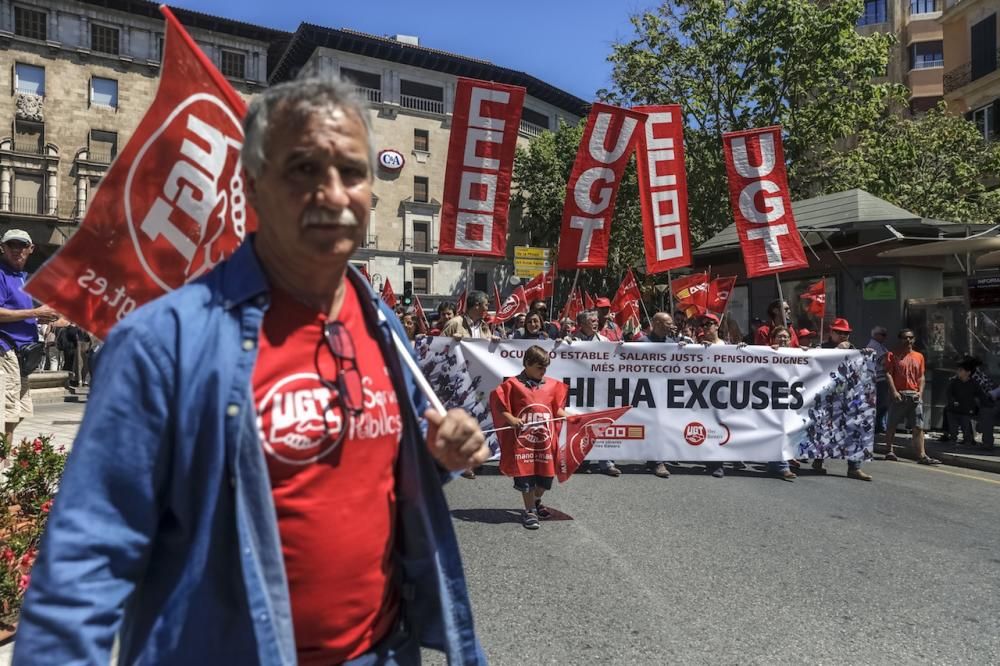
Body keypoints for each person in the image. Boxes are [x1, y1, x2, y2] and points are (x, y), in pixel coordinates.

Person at [15, 77, 489, 665]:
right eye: (303, 169)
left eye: (352, 171)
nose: (333, 193)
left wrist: (436, 456)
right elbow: (87, 560)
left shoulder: (380, 319)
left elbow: (392, 471)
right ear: (252, 188)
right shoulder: (162, 343)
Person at [489, 345, 569, 529]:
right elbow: (501, 408)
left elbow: (556, 409)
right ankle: (529, 510)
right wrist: (512, 419)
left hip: (545, 442)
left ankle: (536, 500)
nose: (543, 371)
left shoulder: (551, 385)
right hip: (522, 443)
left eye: (545, 368)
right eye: (539, 367)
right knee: (526, 478)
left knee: (545, 479)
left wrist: (574, 418)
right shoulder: (512, 385)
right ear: (527, 364)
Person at [0, 229, 60, 441]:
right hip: (6, 351)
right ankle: (3, 464)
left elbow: (19, 313)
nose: (17, 250)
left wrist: (38, 318)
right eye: (11, 245)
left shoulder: (24, 278)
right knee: (6, 412)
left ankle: (4, 458)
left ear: (31, 249)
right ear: (3, 248)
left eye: (22, 245)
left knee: (20, 410)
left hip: (23, 356)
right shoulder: (1, 274)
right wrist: (35, 312)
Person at [813, 318, 872, 481]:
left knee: (854, 429)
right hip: (825, 397)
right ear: (831, 332)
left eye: (846, 333)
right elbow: (814, 365)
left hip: (847, 397)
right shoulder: (820, 347)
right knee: (823, 430)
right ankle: (818, 460)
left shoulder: (853, 349)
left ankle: (854, 467)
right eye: (840, 332)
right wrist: (837, 351)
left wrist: (864, 355)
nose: (844, 336)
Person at [884, 328, 941, 465]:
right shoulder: (892, 355)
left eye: (910, 337)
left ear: (914, 339)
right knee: (892, 424)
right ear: (900, 339)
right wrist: (894, 392)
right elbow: (888, 374)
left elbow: (921, 376)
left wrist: (920, 393)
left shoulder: (919, 356)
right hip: (900, 394)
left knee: (918, 427)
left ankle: (922, 455)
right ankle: (889, 451)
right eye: (905, 337)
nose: (908, 340)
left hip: (914, 395)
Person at [638, 312, 677, 478]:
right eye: (667, 323)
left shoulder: (673, 343)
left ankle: (657, 460)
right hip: (645, 391)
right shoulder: (641, 343)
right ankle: (655, 460)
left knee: (662, 425)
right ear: (657, 323)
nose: (671, 325)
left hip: (665, 392)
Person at [766, 326, 798, 481]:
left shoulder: (797, 353)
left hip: (790, 398)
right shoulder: (767, 352)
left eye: (786, 337)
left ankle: (775, 464)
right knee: (778, 429)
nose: (783, 339)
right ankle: (782, 466)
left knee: (783, 429)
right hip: (769, 398)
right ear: (773, 339)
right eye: (779, 336)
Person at [945, 358, 985, 446]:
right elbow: (949, 393)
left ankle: (968, 442)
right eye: (958, 370)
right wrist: (953, 401)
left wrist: (980, 404)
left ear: (968, 372)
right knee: (953, 429)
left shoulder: (974, 384)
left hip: (966, 411)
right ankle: (952, 441)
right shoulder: (954, 382)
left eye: (961, 370)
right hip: (953, 410)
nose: (958, 372)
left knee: (966, 428)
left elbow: (980, 395)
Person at [866, 325, 890, 435]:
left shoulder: (880, 345)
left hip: (883, 378)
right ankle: (878, 426)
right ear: (876, 335)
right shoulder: (874, 345)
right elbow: (884, 361)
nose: (885, 337)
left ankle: (881, 426)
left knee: (884, 404)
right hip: (879, 379)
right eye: (883, 335)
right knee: (882, 404)